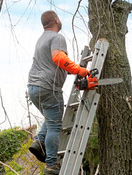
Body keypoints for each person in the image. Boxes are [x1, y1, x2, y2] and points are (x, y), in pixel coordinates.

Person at [27, 10, 90, 175]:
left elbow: (55, 63)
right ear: (55, 20)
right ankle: (51, 166)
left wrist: (70, 70)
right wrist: (79, 70)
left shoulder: (41, 39)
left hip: (33, 88)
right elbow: (58, 58)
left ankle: (39, 141)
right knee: (55, 125)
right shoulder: (57, 37)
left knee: (50, 118)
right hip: (49, 88)